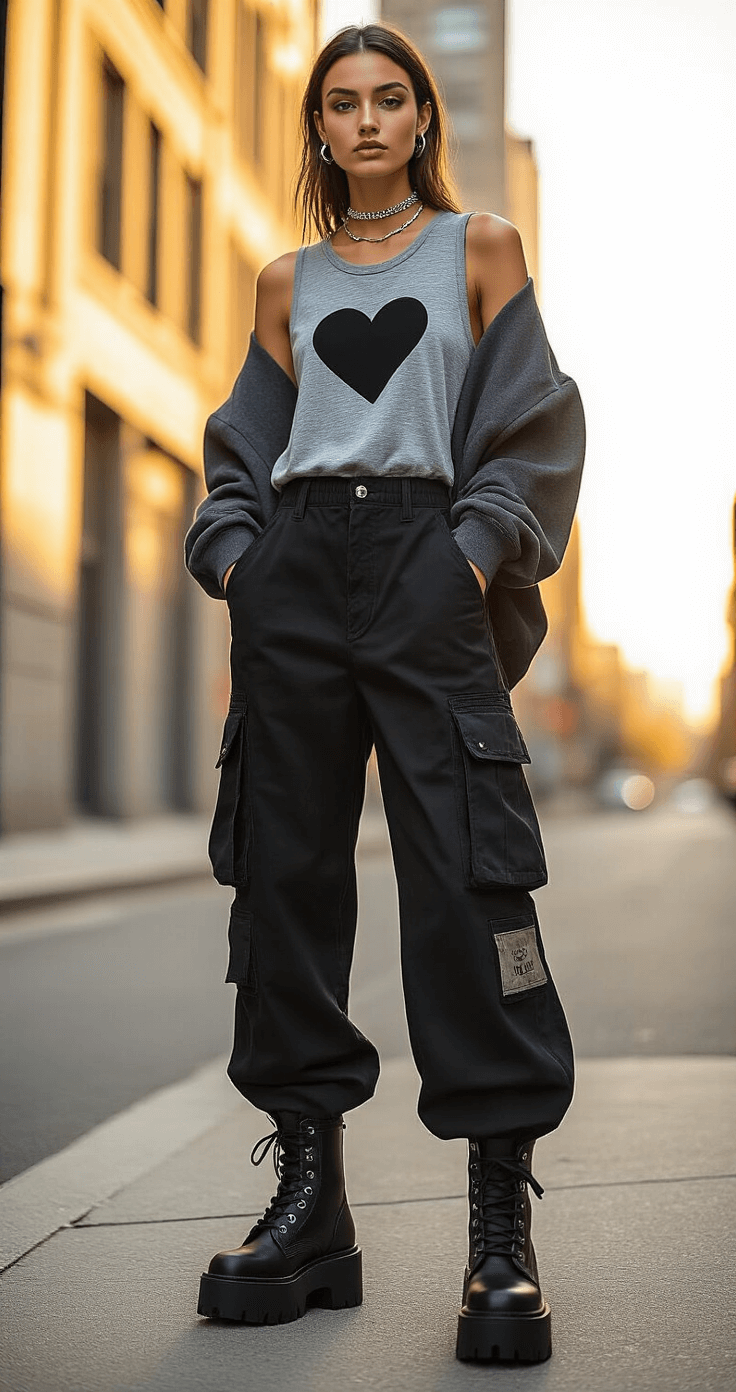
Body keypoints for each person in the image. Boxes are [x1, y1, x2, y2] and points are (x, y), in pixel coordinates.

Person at [184, 20, 585, 1365]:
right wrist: (240, 560)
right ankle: (311, 1212)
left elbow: (534, 422)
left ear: (421, 120)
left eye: (390, 99)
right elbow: (242, 447)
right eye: (342, 102)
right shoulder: (282, 282)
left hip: (427, 566)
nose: (366, 120)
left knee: (472, 877)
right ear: (318, 126)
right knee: (283, 879)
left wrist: (469, 556)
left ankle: (498, 1230)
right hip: (297, 578)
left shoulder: (480, 250)